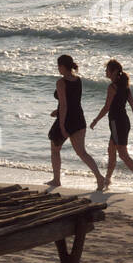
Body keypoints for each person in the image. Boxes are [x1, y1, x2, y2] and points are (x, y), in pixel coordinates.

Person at [46, 54, 106, 189]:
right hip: (79, 118)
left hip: (66, 120)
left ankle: (56, 180)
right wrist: (57, 111)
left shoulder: (61, 82)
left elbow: (65, 105)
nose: (58, 69)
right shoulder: (78, 80)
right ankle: (99, 177)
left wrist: (61, 125)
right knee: (82, 152)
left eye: (58, 66)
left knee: (55, 150)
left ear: (62, 66)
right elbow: (73, 101)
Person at [90, 58, 133, 191]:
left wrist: (95, 120)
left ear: (114, 72)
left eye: (107, 70)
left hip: (117, 123)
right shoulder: (125, 87)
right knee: (111, 150)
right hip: (123, 122)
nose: (106, 72)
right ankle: (108, 179)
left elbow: (106, 108)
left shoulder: (113, 87)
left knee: (122, 154)